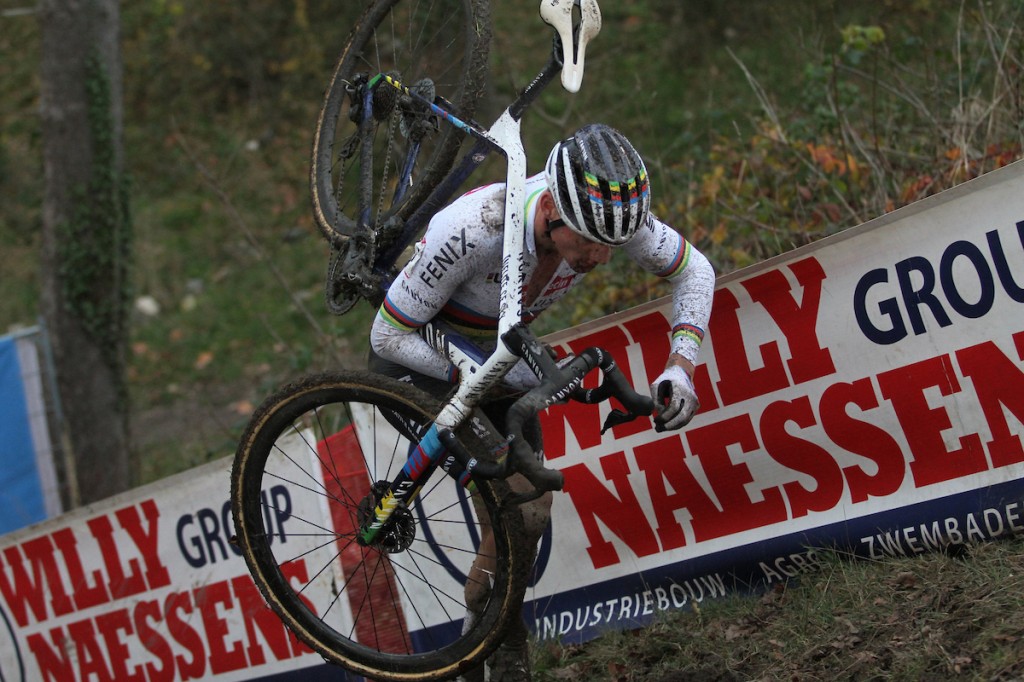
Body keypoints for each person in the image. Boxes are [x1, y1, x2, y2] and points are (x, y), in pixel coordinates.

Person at [368, 123, 715, 681]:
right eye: (586, 242)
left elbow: (694, 270)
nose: (600, 257)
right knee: (517, 506)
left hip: (494, 357)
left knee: (529, 517)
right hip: (416, 361)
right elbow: (386, 337)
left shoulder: (604, 213)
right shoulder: (476, 229)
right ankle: (505, 661)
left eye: (610, 245)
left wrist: (681, 364)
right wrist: (479, 376)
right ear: (550, 206)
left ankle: (479, 637)